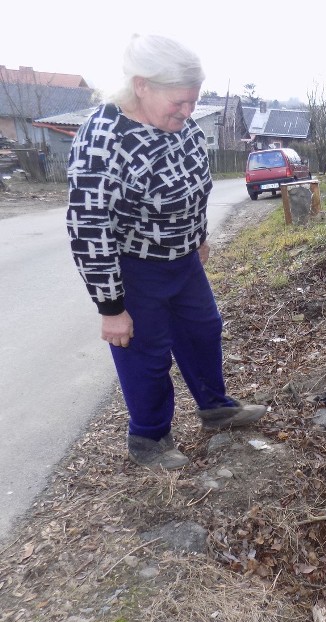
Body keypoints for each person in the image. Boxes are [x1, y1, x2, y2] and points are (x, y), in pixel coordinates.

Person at [66, 34, 265, 470]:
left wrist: (199, 236)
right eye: (180, 101)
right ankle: (149, 438)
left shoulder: (183, 125)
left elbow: (194, 185)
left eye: (193, 101)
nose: (188, 111)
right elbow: (87, 225)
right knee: (147, 355)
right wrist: (110, 306)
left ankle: (215, 408)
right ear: (142, 85)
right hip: (135, 268)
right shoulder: (104, 138)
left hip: (185, 260)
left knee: (203, 330)